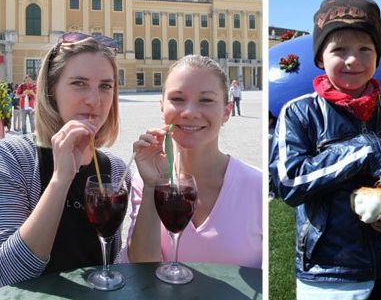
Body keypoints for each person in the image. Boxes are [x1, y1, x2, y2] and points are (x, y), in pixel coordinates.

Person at [270, 0, 381, 300]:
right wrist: (362, 149)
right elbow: (289, 182)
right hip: (329, 273)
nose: (353, 60)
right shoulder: (299, 113)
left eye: (365, 49)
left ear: (377, 57)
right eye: (339, 49)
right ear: (319, 58)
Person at [0, 32, 130, 286]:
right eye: (79, 83)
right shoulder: (13, 157)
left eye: (105, 86)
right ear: (51, 91)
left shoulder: (115, 169)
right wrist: (60, 180)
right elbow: (6, 275)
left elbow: (113, 269)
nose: (94, 101)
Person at [123, 55, 262, 269]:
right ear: (162, 108)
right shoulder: (145, 182)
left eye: (206, 100)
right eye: (177, 99)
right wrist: (151, 186)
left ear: (227, 111)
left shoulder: (257, 186)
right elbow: (142, 265)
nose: (189, 113)